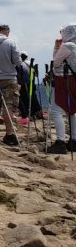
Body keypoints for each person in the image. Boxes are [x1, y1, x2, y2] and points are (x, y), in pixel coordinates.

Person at [49, 24, 76, 154]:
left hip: (64, 80)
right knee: (72, 110)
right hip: (74, 81)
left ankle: (60, 142)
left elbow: (56, 63)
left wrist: (56, 48)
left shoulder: (67, 46)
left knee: (55, 111)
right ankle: (74, 140)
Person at [17, 52, 42, 122]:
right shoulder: (31, 63)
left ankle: (29, 114)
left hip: (24, 83)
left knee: (25, 98)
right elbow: (36, 74)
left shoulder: (22, 64)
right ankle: (37, 113)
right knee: (33, 98)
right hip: (32, 83)